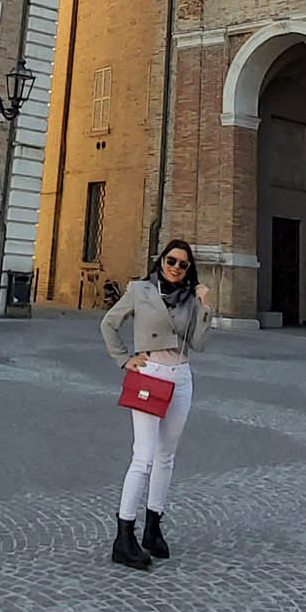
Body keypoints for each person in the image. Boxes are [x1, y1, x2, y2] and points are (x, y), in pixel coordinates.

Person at [99, 238, 211, 570]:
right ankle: (123, 535)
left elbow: (199, 343)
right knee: (143, 456)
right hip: (150, 375)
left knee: (166, 456)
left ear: (188, 270)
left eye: (182, 264)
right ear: (161, 260)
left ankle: (153, 527)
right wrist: (124, 359)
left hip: (182, 377)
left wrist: (205, 307)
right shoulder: (140, 290)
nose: (175, 268)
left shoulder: (190, 299)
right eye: (170, 261)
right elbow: (109, 323)